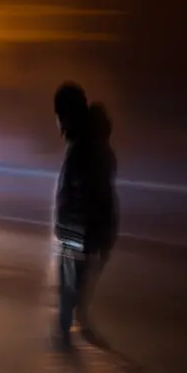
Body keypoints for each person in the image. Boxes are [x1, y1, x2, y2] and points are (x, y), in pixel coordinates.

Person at [51, 82, 118, 351]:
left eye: (59, 115)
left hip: (80, 229)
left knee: (71, 284)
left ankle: (67, 339)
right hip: (90, 228)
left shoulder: (85, 147)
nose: (57, 122)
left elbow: (87, 192)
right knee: (76, 286)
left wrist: (68, 227)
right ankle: (76, 327)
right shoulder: (90, 141)